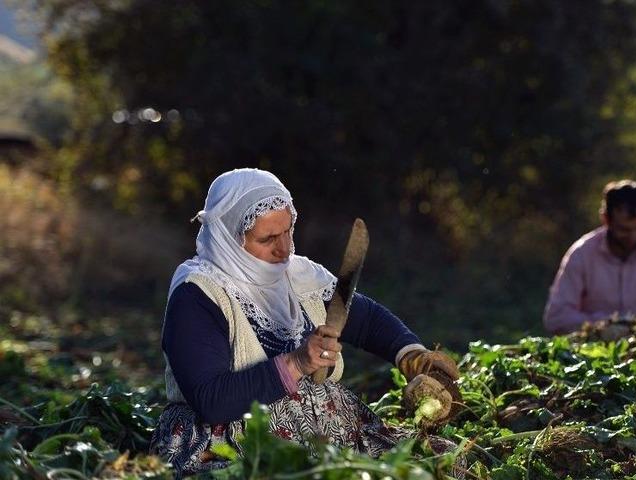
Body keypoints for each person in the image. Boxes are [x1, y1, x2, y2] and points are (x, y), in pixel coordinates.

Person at [150, 168, 460, 477]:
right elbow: (212, 400)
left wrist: (411, 355)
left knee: (444, 463)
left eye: (288, 231)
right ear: (230, 237)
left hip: (326, 432)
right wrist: (297, 363)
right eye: (268, 238)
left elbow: (366, 321)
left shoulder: (299, 276)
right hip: (232, 443)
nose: (284, 249)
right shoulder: (198, 294)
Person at [543, 179, 636, 336]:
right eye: (624, 230)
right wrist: (600, 327)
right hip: (590, 350)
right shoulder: (582, 254)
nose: (633, 237)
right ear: (605, 219)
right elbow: (556, 317)